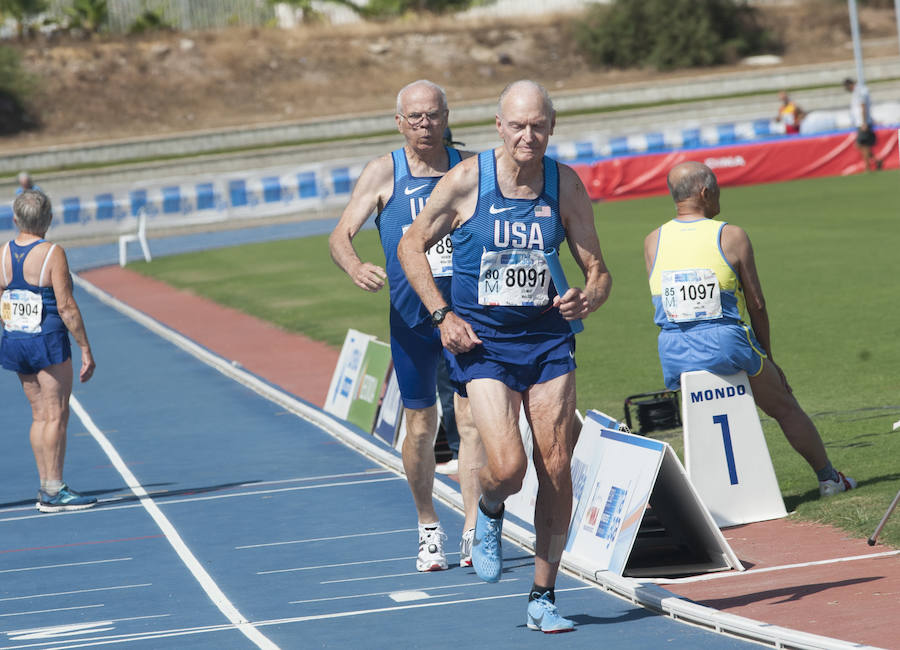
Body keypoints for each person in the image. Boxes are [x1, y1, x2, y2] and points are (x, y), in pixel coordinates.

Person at [398, 80, 612, 633]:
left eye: (538, 125)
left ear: (552, 126)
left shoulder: (564, 185)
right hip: (484, 345)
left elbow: (599, 271)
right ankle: (490, 508)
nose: (528, 136)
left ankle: (543, 595)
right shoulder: (468, 181)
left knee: (557, 467)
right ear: (499, 126)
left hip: (547, 341)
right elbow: (408, 245)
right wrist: (443, 315)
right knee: (510, 469)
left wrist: (588, 295)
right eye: (517, 125)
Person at [328, 80, 482, 572]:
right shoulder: (383, 171)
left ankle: (477, 528)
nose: (424, 125)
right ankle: (428, 525)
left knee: (473, 421)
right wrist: (354, 265)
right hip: (412, 322)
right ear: (399, 122)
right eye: (414, 117)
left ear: (446, 116)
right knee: (421, 426)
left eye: (433, 115)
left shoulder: (470, 168)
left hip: (466, 317)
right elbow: (340, 234)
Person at [644, 161, 856, 497]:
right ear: (705, 192)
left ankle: (713, 494)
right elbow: (756, 303)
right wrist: (770, 358)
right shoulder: (731, 235)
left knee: (704, 416)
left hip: (674, 350)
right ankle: (829, 478)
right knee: (784, 406)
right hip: (726, 342)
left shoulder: (652, 240)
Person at [1, 190, 97, 512]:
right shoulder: (52, 253)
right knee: (56, 413)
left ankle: (46, 487)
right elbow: (67, 306)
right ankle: (54, 490)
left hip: (16, 341)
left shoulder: (3, 254)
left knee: (39, 414)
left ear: (15, 220)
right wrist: (85, 347)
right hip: (47, 340)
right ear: (50, 220)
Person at [842, 78, 882, 171]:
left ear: (850, 85)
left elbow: (863, 106)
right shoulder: (858, 92)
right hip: (861, 122)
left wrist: (864, 122)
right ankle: (876, 161)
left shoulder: (859, 92)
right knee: (862, 145)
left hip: (862, 122)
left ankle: (868, 166)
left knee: (862, 144)